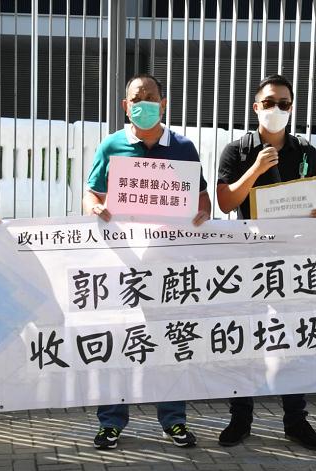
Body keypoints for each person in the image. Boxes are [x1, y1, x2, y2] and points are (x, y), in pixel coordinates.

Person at [83, 73, 211, 449]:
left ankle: (174, 421)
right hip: (123, 264)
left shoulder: (183, 148)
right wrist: (95, 208)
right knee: (118, 341)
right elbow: (91, 194)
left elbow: (202, 199)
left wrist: (202, 213)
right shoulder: (111, 146)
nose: (144, 104)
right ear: (126, 106)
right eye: (137, 99)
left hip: (168, 266)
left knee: (170, 342)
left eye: (151, 97)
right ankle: (111, 422)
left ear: (163, 104)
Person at [215, 74, 316, 450]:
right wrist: (256, 169)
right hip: (248, 257)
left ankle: (296, 420)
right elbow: (225, 202)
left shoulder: (306, 151)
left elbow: (312, 200)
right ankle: (240, 418)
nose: (276, 109)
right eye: (268, 102)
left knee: (293, 339)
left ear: (292, 108)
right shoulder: (237, 151)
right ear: (255, 107)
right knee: (245, 338)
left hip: (291, 259)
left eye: (283, 103)